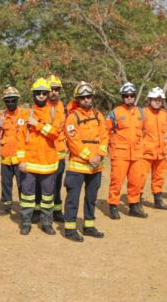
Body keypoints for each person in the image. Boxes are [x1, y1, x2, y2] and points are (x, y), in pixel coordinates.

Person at [16, 78, 64, 236]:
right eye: (38, 93)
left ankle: (47, 222)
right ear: (33, 94)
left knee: (48, 196)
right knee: (28, 196)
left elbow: (56, 133)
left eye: (44, 93)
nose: (42, 96)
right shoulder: (25, 112)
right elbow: (20, 139)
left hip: (48, 163)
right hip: (29, 163)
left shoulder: (54, 112)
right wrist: (21, 161)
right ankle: (26, 222)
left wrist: (37, 125)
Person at [62, 82, 108, 242]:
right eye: (83, 98)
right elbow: (73, 141)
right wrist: (90, 156)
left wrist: (100, 156)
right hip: (78, 166)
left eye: (89, 97)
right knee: (73, 199)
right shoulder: (72, 118)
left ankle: (89, 226)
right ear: (78, 99)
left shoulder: (98, 115)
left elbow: (104, 136)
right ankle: (69, 229)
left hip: (96, 168)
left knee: (91, 198)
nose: (86, 100)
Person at [106, 82, 148, 219]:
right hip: (120, 153)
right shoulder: (115, 113)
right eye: (126, 95)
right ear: (122, 97)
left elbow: (144, 131)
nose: (129, 98)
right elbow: (106, 131)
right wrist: (107, 149)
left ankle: (134, 206)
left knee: (136, 180)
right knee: (117, 181)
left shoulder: (141, 112)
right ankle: (113, 205)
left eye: (131, 95)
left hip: (136, 153)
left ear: (135, 96)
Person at [0, 86, 25, 216]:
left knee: (22, 185)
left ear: (17, 100)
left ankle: (25, 209)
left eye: (13, 100)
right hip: (6, 157)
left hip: (19, 158)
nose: (10, 103)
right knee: (6, 184)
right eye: (7, 101)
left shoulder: (24, 115)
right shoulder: (1, 117)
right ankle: (6, 206)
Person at [141, 87, 167, 210]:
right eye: (155, 99)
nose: (157, 101)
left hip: (161, 153)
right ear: (149, 99)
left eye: (160, 99)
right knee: (140, 177)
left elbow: (165, 132)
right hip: (146, 152)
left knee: (159, 177)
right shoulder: (142, 113)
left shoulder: (164, 113)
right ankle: (136, 200)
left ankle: (158, 200)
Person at [47, 74, 67, 221]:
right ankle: (39, 211)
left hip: (59, 153)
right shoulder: (40, 105)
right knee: (42, 185)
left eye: (57, 89)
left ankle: (57, 211)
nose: (54, 92)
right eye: (51, 89)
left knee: (57, 184)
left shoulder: (64, 107)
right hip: (45, 152)